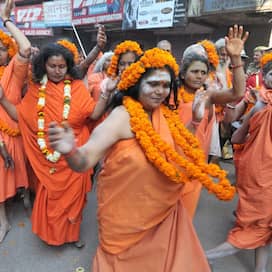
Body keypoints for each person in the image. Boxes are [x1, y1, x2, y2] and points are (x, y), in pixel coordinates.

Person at [48, 47, 236, 271]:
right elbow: (84, 161)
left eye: (166, 85)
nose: (160, 91)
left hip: (162, 213)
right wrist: (70, 150)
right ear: (138, 84)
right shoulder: (121, 117)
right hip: (125, 219)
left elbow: (179, 152)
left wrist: (195, 121)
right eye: (153, 84)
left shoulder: (165, 114)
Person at [0, 38, 114, 247]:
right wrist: (2, 99)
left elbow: (95, 112)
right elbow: (20, 116)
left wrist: (106, 93)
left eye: (62, 66)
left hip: (76, 150)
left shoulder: (78, 87)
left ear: (68, 66)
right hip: (48, 156)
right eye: (52, 66)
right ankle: (53, 235)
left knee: (76, 200)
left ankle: (73, 235)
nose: (57, 71)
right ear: (44, 65)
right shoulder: (36, 90)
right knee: (51, 198)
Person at [206, 52, 272, 272]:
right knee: (258, 225)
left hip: (256, 171)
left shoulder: (258, 102)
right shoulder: (260, 104)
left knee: (266, 228)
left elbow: (235, 137)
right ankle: (206, 256)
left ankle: (260, 269)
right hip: (264, 177)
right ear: (264, 75)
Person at [178, 25, 248, 218]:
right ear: (183, 73)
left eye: (203, 72)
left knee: (185, 217)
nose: (199, 76)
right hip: (171, 160)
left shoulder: (208, 96)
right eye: (194, 71)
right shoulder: (170, 96)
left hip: (196, 163)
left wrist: (235, 60)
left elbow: (238, 93)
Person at [0, 0, 32, 243]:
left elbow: (26, 47)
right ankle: (3, 219)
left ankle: (26, 197)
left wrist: (6, 20)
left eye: (1, 47)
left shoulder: (14, 70)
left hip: (16, 130)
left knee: (22, 170)